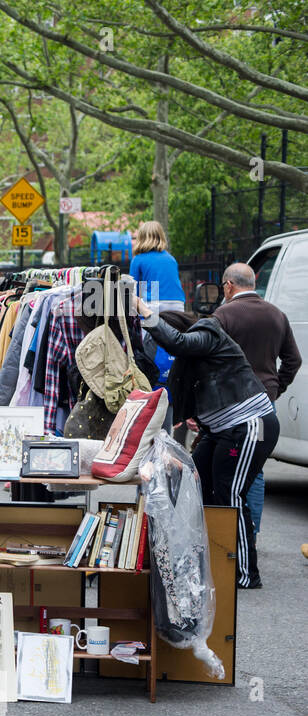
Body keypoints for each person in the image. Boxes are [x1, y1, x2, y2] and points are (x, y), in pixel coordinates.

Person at [138, 300, 278, 589]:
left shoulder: (208, 331)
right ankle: (212, 559)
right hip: (223, 430)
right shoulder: (190, 359)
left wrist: (143, 309)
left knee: (231, 494)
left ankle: (245, 573)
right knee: (193, 481)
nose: (164, 348)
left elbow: (176, 342)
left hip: (253, 424)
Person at [214, 261, 301, 536]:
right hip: (264, 409)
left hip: (231, 410)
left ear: (229, 286)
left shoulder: (223, 315)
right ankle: (252, 533)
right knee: (257, 468)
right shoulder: (277, 315)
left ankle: (231, 534)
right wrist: (275, 388)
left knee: (228, 465)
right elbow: (293, 360)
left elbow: (209, 361)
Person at [130, 220, 187, 383]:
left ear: (141, 237)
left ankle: (150, 377)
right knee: (172, 340)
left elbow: (133, 290)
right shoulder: (171, 259)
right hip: (176, 303)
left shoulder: (139, 259)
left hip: (152, 302)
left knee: (149, 343)